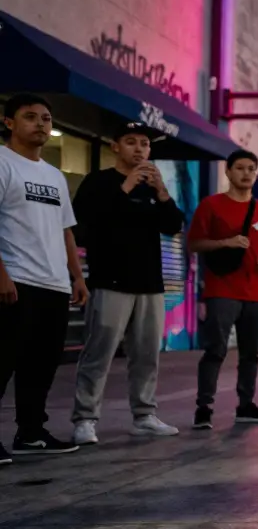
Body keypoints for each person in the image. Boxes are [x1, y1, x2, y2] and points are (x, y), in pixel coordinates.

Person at [68, 121, 186, 444]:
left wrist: (162, 193)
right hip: (110, 281)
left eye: (144, 144)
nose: (139, 149)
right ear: (115, 146)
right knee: (99, 352)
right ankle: (85, 418)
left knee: (147, 353)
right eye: (131, 142)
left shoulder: (153, 188)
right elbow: (85, 226)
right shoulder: (99, 182)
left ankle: (144, 414)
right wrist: (125, 188)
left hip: (150, 283)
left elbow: (174, 226)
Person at [0, 94, 89, 461]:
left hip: (54, 284)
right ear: (9, 122)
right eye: (30, 116)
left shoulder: (53, 175)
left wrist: (77, 277)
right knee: (3, 361)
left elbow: (66, 230)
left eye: (46, 118)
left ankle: (31, 432)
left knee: (41, 364)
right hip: (16, 281)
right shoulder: (3, 162)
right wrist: (2, 274)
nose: (40, 123)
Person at [187, 149, 258, 429]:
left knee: (251, 353)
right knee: (215, 349)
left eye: (251, 168)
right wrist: (224, 243)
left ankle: (245, 405)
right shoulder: (211, 205)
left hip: (256, 292)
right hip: (222, 289)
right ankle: (204, 407)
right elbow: (194, 244)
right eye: (240, 168)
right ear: (228, 172)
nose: (246, 173)